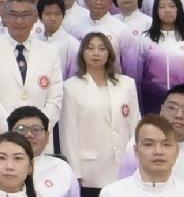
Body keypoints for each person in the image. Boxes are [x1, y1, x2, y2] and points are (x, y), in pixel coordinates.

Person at [58, 31, 139, 187]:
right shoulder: (71, 87)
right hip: (90, 172)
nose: (96, 53)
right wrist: (75, 173)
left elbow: (135, 125)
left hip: (125, 169)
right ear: (82, 53)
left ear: (109, 53)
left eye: (102, 49)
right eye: (90, 48)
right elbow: (68, 134)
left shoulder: (127, 84)